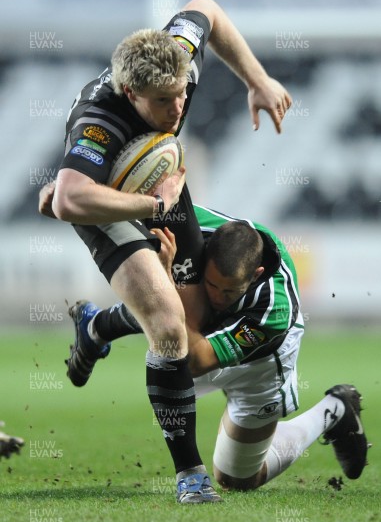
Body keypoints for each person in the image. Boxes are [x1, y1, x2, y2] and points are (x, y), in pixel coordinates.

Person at [40, 0, 292, 504]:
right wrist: (151, 208)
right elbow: (68, 199)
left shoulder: (176, 58)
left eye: (182, 94)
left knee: (193, 309)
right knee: (170, 324)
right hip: (102, 199)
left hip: (159, 181)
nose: (178, 109)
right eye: (164, 101)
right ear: (130, 92)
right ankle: (191, 476)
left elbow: (208, 8)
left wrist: (257, 80)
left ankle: (97, 326)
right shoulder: (100, 121)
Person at [58, 204, 370, 490]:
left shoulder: (275, 308)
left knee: (237, 479)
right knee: (168, 319)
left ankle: (333, 410)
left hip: (259, 365)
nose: (219, 296)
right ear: (205, 255)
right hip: (202, 331)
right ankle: (96, 326)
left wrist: (168, 278)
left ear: (256, 275)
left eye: (230, 290)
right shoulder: (192, 229)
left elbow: (194, 360)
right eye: (212, 284)